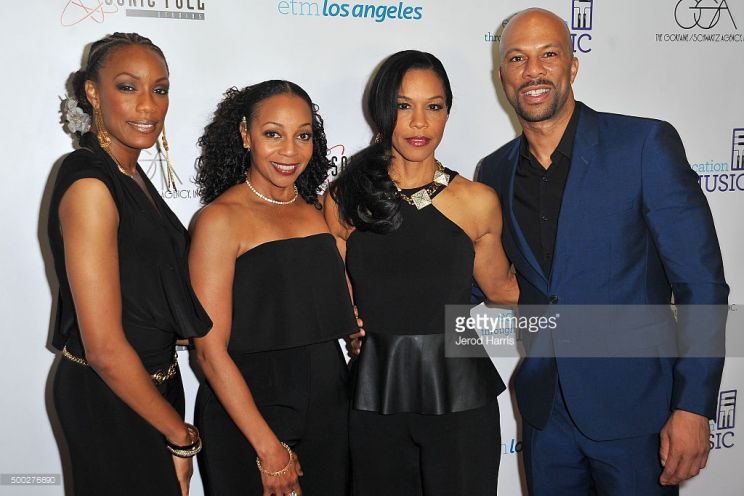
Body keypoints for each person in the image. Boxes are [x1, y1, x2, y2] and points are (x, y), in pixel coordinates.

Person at [476, 8, 729, 495]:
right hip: (546, 417)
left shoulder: (643, 144)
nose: (532, 71)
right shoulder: (495, 172)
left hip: (639, 414)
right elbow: (479, 276)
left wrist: (694, 406)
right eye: (517, 58)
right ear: (502, 75)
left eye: (548, 55)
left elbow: (701, 284)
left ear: (572, 66)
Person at [326, 50, 519, 496]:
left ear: (447, 112)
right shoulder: (344, 198)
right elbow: (340, 299)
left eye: (433, 106)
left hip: (461, 390)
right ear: (382, 109)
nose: (419, 122)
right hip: (375, 392)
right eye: (403, 105)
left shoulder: (477, 201)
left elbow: (503, 290)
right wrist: (349, 326)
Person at [49, 33, 212, 495]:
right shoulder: (90, 185)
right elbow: (102, 347)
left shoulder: (129, 173)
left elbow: (145, 291)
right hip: (110, 396)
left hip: (151, 387)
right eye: (127, 86)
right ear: (93, 92)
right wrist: (181, 436)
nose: (148, 105)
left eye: (160, 89)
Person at [190, 81, 357, 496]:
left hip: (329, 408)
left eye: (303, 135)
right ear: (246, 135)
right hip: (249, 412)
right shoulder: (219, 220)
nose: (290, 151)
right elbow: (209, 352)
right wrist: (268, 449)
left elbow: (333, 310)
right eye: (273, 134)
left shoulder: (318, 213)